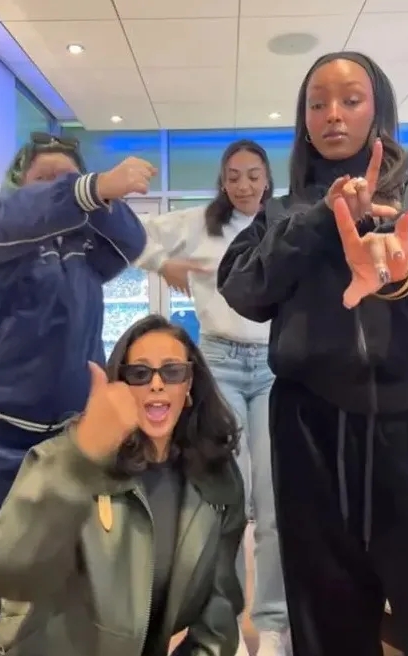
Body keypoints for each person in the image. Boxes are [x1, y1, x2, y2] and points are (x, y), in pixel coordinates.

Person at [218, 51, 408, 656]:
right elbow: (243, 286)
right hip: (311, 432)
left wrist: (397, 260)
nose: (333, 115)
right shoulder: (282, 210)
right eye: (317, 104)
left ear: (379, 108)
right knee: (325, 615)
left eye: (350, 100)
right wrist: (326, 217)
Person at [0, 131, 155, 651]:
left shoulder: (84, 250)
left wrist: (97, 196)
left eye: (67, 177)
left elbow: (132, 242)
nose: (56, 187)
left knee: (58, 572)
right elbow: (12, 219)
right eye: (43, 178)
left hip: (70, 439)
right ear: (18, 183)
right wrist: (86, 188)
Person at [0, 314, 245, 656]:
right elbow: (6, 574)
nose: (156, 384)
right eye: (140, 373)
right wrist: (80, 460)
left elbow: (217, 621)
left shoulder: (216, 481)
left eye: (172, 371)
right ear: (120, 387)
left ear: (189, 384)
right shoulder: (63, 461)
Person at [135, 140, 289, 656]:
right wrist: (162, 264)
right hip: (218, 363)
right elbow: (129, 232)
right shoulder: (201, 222)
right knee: (226, 499)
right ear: (222, 181)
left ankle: (273, 624)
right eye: (233, 176)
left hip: (272, 366)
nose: (244, 185)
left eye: (253, 175)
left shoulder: (283, 220)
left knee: (273, 502)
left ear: (268, 178)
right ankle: (225, 622)